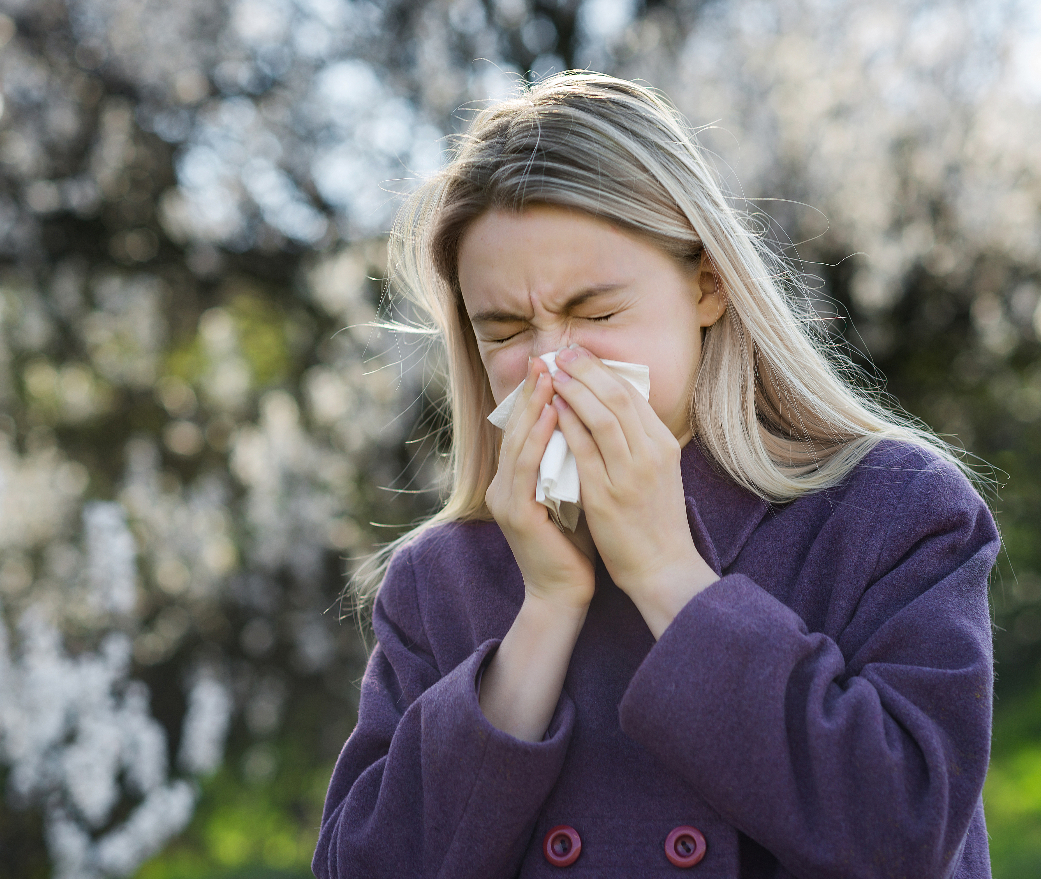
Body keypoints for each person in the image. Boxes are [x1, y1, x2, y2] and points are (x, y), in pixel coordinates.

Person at [313, 72, 999, 878]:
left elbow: (902, 830)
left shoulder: (893, 511)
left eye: (597, 315)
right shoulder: (441, 579)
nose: (552, 364)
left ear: (706, 285)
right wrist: (543, 614)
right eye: (505, 330)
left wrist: (665, 571)